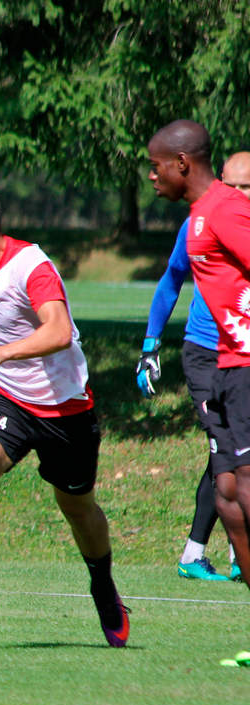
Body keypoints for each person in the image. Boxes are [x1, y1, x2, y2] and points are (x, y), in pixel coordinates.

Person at [0, 182, 128, 647]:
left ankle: (103, 586)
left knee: (76, 506)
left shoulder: (33, 268)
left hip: (65, 408)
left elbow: (59, 331)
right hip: (4, 397)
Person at [146, 120, 250, 599]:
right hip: (222, 363)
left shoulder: (225, 211)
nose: (152, 176)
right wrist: (151, 344)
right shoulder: (200, 218)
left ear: (181, 164)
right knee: (227, 491)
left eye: (156, 166)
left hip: (245, 363)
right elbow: (171, 281)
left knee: (241, 488)